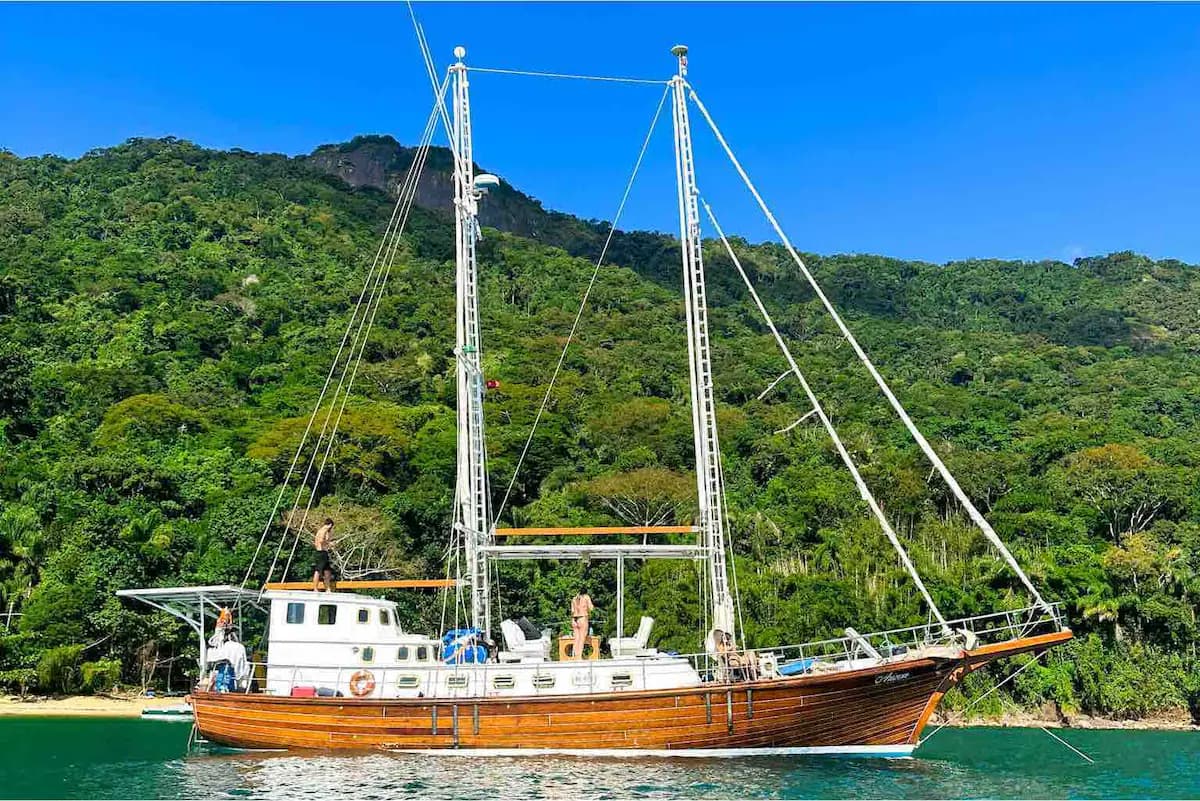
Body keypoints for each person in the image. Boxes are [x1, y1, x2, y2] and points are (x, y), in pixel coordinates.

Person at [312, 517, 336, 592]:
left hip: (324, 552)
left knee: (327, 571)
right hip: (320, 552)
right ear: (330, 525)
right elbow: (321, 541)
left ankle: (327, 588)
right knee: (318, 570)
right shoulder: (323, 531)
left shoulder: (322, 531)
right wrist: (330, 543)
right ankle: (315, 588)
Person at [570, 589, 594, 660]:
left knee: (576, 638)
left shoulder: (574, 599)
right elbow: (591, 608)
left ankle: (574, 655)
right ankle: (579, 656)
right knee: (581, 638)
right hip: (582, 617)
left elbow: (572, 611)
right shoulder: (586, 597)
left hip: (574, 619)